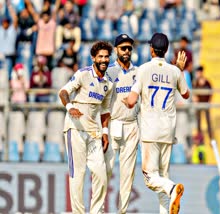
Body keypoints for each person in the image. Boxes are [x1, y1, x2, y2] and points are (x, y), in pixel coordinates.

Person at [122, 32, 190, 214]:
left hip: (150, 129)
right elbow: (186, 94)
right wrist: (179, 71)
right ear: (166, 50)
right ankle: (168, 199)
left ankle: (173, 188)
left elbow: (131, 101)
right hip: (168, 129)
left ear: (151, 49)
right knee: (163, 176)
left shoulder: (143, 69)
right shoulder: (174, 71)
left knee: (151, 178)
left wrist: (126, 101)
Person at [58, 41, 113, 213]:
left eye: (106, 56)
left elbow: (105, 110)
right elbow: (63, 92)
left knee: (101, 175)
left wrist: (105, 132)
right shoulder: (83, 74)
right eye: (100, 57)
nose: (104, 60)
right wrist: (69, 107)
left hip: (93, 132)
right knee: (78, 176)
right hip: (75, 129)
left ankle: (96, 211)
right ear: (93, 58)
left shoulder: (108, 84)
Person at [104, 34, 140, 214]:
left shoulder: (138, 72)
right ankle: (98, 209)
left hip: (132, 124)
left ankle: (122, 211)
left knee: (127, 175)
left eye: (129, 48)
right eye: (123, 48)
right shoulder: (109, 72)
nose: (126, 51)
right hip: (113, 124)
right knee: (106, 171)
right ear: (116, 50)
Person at [193, 65, 213, 139]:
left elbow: (211, 91)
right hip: (199, 104)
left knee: (208, 120)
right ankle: (199, 137)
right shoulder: (195, 82)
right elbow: (193, 92)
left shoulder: (207, 82)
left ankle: (210, 136)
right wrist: (195, 98)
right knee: (198, 120)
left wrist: (209, 101)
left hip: (205, 103)